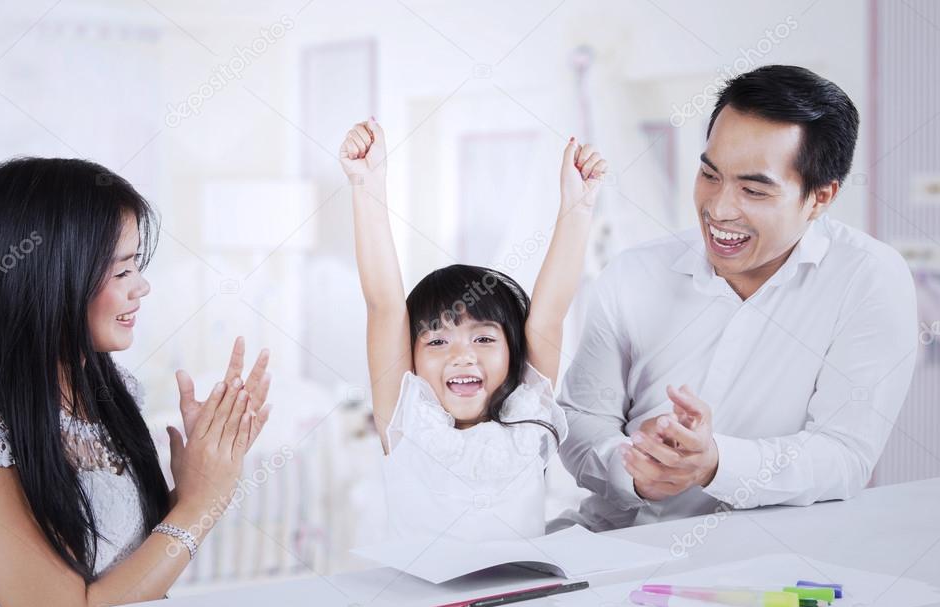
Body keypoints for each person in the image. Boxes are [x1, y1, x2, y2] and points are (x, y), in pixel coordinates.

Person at [556, 65, 918, 532]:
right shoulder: (635, 272)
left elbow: (845, 455)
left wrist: (716, 463)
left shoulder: (869, 278)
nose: (719, 209)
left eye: (752, 189)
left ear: (820, 197)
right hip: (613, 543)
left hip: (770, 565)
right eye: (710, 175)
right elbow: (581, 420)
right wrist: (634, 467)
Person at [0, 157, 272, 607]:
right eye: (122, 271)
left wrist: (198, 480)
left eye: (138, 266)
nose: (142, 287)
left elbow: (125, 566)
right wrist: (199, 505)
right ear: (51, 277)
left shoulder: (111, 392)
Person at [339, 119, 606, 541]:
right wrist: (367, 185)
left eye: (483, 338)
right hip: (424, 604)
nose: (462, 355)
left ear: (514, 353)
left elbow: (550, 312)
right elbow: (384, 305)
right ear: (411, 357)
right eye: (438, 341)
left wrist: (578, 207)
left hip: (516, 600)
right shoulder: (406, 421)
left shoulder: (528, 417)